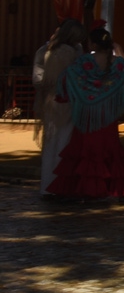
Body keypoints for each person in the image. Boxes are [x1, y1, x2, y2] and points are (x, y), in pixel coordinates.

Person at [47, 27, 124, 199]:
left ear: (93, 43)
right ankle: (111, 189)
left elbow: (66, 78)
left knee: (86, 150)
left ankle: (84, 191)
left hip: (87, 116)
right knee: (109, 149)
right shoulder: (118, 63)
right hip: (107, 116)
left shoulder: (83, 62)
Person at [31, 20, 87, 195]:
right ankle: (61, 186)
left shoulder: (45, 50)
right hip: (67, 101)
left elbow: (37, 79)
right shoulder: (75, 53)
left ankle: (48, 187)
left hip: (50, 101)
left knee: (51, 143)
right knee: (64, 143)